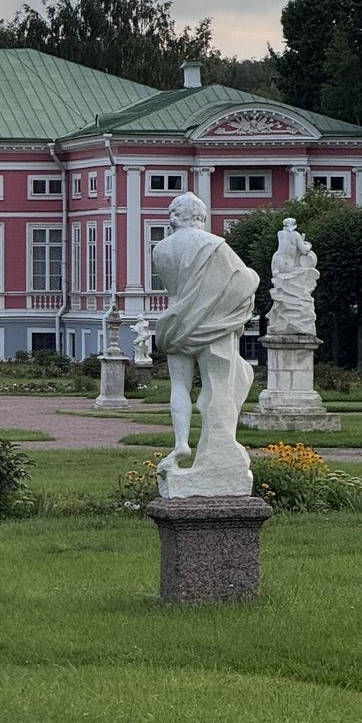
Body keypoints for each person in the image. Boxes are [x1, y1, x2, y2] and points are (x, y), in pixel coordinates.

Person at [152, 192, 259, 496]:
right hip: (213, 326)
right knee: (218, 387)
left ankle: (181, 443)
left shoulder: (160, 249)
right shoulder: (215, 246)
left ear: (174, 216)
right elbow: (243, 281)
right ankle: (219, 449)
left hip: (175, 323)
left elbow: (177, 286)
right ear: (201, 217)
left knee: (179, 386)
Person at [268, 217, 319, 338]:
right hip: (290, 262)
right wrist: (308, 245)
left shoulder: (280, 234)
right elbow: (304, 250)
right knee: (295, 287)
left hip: (278, 261)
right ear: (294, 225)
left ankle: (286, 316)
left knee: (283, 287)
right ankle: (297, 315)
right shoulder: (296, 235)